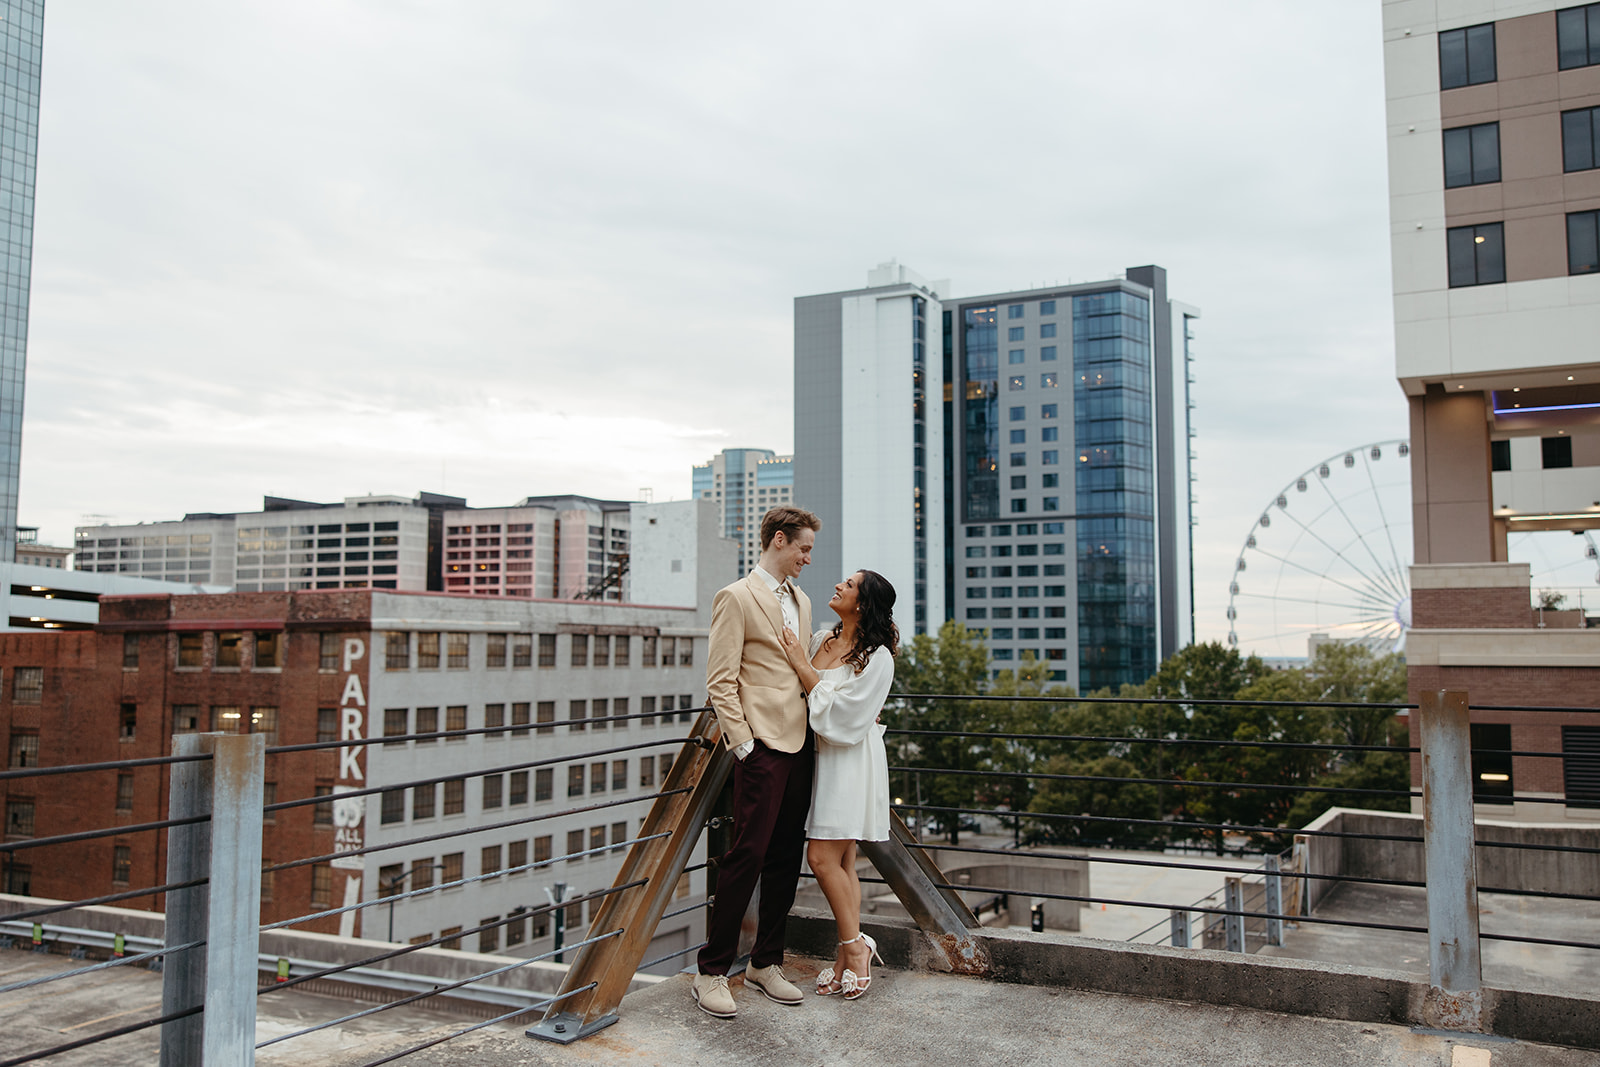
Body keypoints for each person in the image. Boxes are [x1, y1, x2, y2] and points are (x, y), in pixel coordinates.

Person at [691, 506, 823, 1019]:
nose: (808, 559)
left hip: (802, 744)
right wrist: (743, 744)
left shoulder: (804, 601)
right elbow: (720, 680)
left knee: (786, 857)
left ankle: (765, 963)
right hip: (761, 747)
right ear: (780, 540)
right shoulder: (736, 597)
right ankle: (711, 972)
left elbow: (802, 669)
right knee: (745, 855)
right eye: (804, 549)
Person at [779, 569, 897, 1001]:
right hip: (815, 757)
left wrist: (801, 668)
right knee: (844, 861)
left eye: (848, 585)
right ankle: (849, 952)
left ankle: (854, 946)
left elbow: (847, 720)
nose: (838, 586)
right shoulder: (821, 643)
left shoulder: (878, 657)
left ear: (863, 603)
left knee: (821, 858)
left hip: (848, 761)